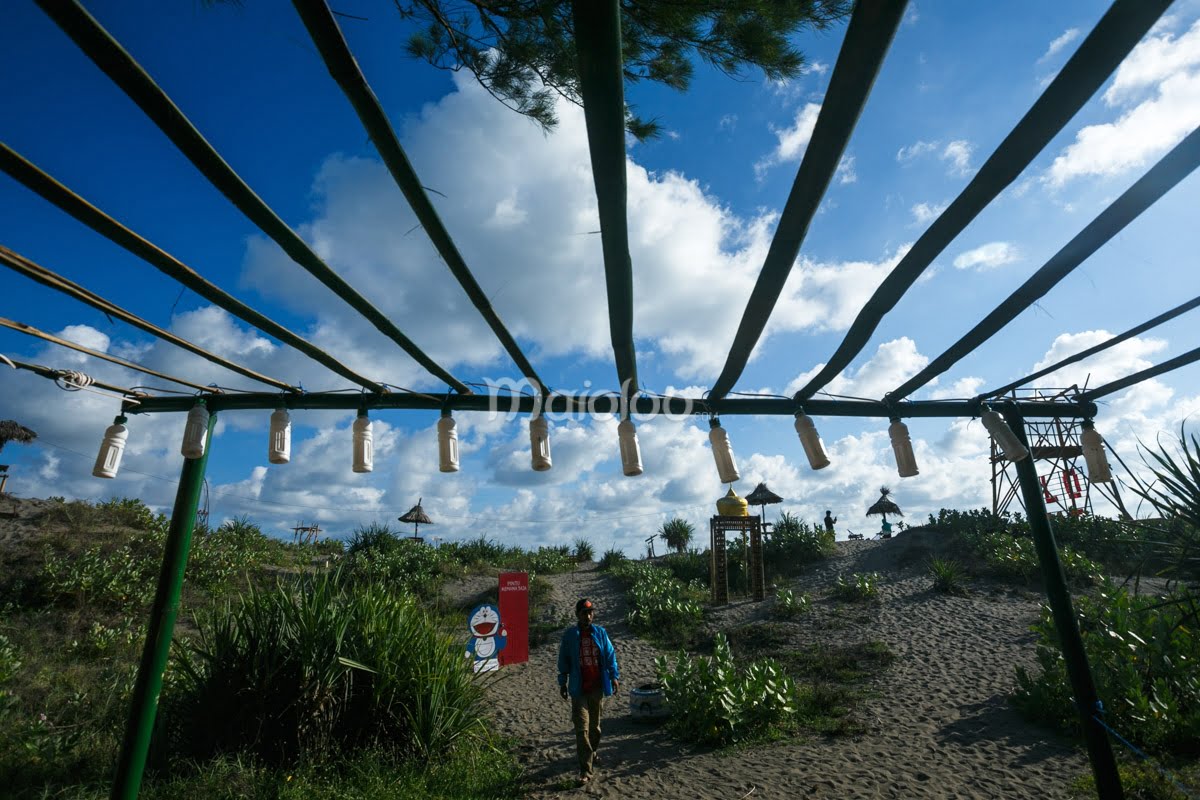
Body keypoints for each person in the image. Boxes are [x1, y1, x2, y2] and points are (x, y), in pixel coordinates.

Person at [557, 598, 620, 785]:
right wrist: (562, 682)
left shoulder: (600, 633)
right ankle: (585, 770)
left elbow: (610, 655)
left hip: (597, 688)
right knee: (581, 730)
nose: (588, 615)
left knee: (595, 729)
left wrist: (614, 676)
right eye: (584, 612)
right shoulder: (570, 636)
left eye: (591, 612)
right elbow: (564, 660)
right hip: (578, 689)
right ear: (578, 614)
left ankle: (592, 752)